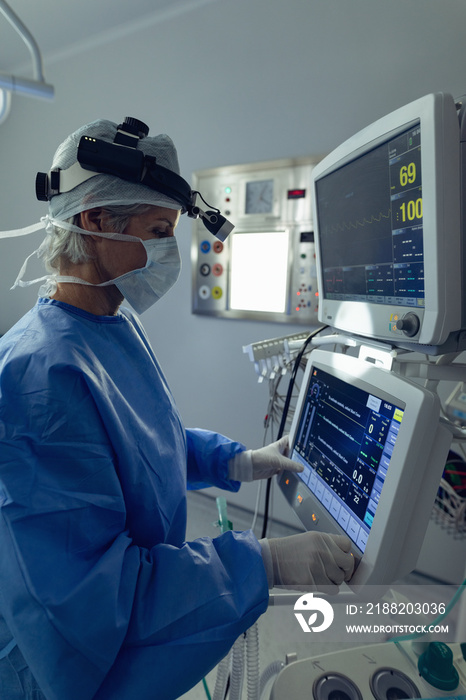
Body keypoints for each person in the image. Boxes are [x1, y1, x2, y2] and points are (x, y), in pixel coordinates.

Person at [0, 118, 354, 700]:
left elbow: (139, 441)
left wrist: (237, 462)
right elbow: (95, 598)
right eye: (159, 229)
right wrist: (259, 564)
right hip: (66, 661)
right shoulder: (41, 377)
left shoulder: (111, 323)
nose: (169, 250)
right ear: (93, 220)